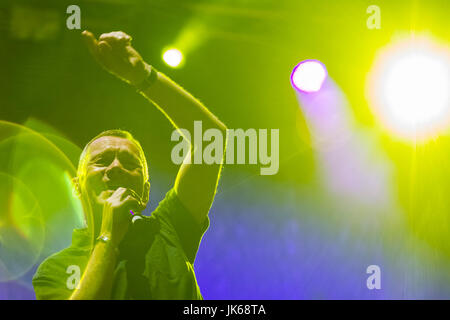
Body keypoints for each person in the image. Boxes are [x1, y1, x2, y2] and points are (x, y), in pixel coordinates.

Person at [32, 30, 227, 300]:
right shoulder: (55, 269)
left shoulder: (169, 230)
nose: (115, 167)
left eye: (128, 162)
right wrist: (108, 237)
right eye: (101, 161)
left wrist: (142, 76)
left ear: (145, 193)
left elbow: (211, 138)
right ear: (78, 188)